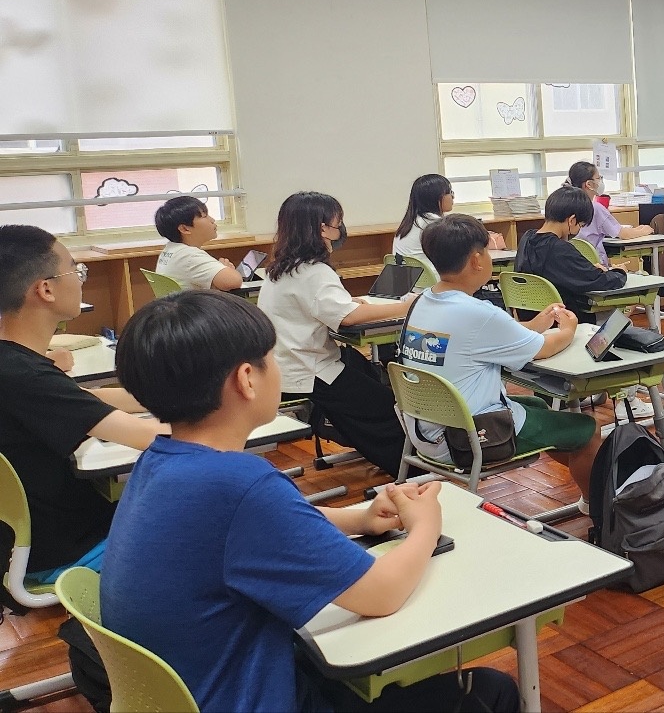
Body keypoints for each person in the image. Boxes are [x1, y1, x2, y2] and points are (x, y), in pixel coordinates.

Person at [101, 290, 517, 713]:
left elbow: (244, 532)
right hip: (251, 696)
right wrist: (426, 523)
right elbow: (382, 593)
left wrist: (361, 519)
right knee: (489, 692)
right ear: (247, 379)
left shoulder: (161, 460)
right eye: (273, 357)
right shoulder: (240, 485)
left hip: (205, 687)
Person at [0, 224, 164, 584]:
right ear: (44, 289)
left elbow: (86, 400)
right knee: (216, 516)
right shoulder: (23, 375)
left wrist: (178, 399)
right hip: (61, 549)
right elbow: (144, 436)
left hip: (42, 533)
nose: (80, 279)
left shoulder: (17, 363)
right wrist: (224, 416)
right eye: (75, 269)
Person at [401, 214, 601, 505]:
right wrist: (568, 329)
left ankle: (568, 454)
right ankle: (595, 508)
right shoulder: (479, 314)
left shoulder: (421, 301)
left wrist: (535, 324)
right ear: (476, 260)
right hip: (470, 439)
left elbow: (487, 339)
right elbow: (543, 349)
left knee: (537, 405)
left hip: (425, 433)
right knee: (588, 428)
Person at [258, 192, 411, 478]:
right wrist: (403, 306)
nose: (340, 228)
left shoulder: (280, 268)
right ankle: (407, 469)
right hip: (309, 371)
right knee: (385, 406)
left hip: (287, 363)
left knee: (365, 371)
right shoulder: (314, 271)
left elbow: (318, 305)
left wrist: (350, 302)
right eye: (337, 222)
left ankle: (368, 445)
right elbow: (347, 317)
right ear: (321, 228)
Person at [515, 186, 628, 324]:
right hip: (565, 320)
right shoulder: (559, 249)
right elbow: (601, 282)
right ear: (572, 220)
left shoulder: (526, 239)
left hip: (530, 321)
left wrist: (588, 268)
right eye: (581, 225)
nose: (578, 230)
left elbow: (562, 271)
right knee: (618, 320)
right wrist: (619, 272)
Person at [569, 161, 651, 267]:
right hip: (596, 267)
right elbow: (623, 234)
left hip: (576, 266)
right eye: (599, 178)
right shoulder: (594, 208)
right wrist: (644, 231)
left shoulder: (568, 204)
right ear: (588, 184)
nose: (601, 182)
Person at [153, 195, 243, 291]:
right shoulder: (188, 256)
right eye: (204, 216)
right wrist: (224, 268)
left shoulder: (171, 249)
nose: (212, 220)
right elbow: (233, 281)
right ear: (185, 229)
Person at [392, 174, 454, 269]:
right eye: (449, 192)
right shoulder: (434, 224)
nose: (453, 196)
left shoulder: (411, 221)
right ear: (437, 197)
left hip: (408, 281)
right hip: (430, 281)